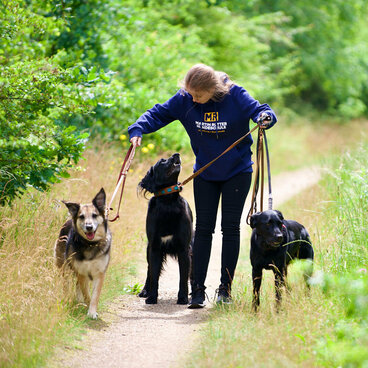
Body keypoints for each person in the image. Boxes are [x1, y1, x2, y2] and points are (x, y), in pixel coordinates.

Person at [128, 63, 277, 308]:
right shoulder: (185, 98)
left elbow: (261, 110)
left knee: (230, 229)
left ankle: (225, 290)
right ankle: (197, 290)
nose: (194, 100)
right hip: (205, 173)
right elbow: (157, 113)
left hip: (237, 172)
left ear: (213, 89)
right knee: (203, 230)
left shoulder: (235, 94)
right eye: (190, 95)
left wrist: (265, 118)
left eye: (199, 95)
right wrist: (138, 129)